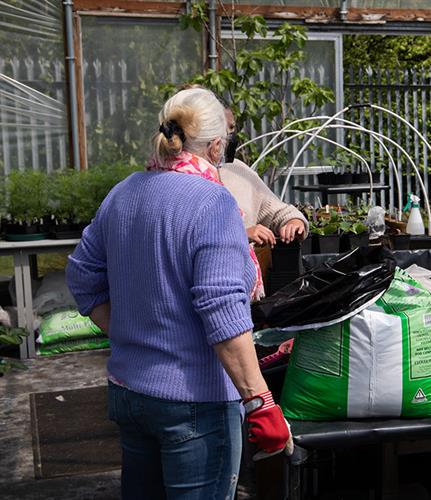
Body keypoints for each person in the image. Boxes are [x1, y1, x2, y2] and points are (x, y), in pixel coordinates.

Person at [66, 87, 291, 500]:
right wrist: (260, 401)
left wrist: (128, 330)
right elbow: (223, 311)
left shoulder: (124, 193)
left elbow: (81, 273)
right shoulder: (212, 203)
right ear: (217, 145)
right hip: (195, 403)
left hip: (130, 392)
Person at [219, 108, 309, 248]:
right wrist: (241, 234)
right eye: (222, 127)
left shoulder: (237, 170)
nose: (229, 135)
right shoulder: (180, 177)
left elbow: (277, 211)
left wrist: (293, 222)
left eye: (231, 128)